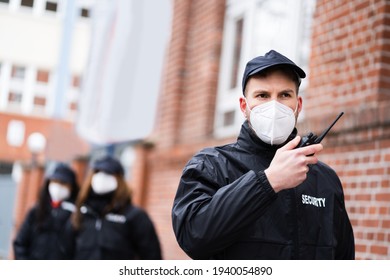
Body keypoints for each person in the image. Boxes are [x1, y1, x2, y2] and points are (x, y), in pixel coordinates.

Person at [172, 49, 355, 260]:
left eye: (285, 95)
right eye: (262, 95)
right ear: (244, 106)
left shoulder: (325, 179)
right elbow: (192, 237)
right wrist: (267, 182)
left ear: (298, 105)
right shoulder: (212, 166)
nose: (274, 105)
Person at [65, 155, 162, 260]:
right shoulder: (81, 213)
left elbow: (152, 256)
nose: (102, 177)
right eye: (97, 172)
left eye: (108, 173)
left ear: (119, 179)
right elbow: (66, 251)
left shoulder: (134, 216)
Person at [13, 162, 79, 259]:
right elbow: (20, 243)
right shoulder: (37, 210)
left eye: (63, 183)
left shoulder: (75, 215)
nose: (58, 187)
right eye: (55, 181)